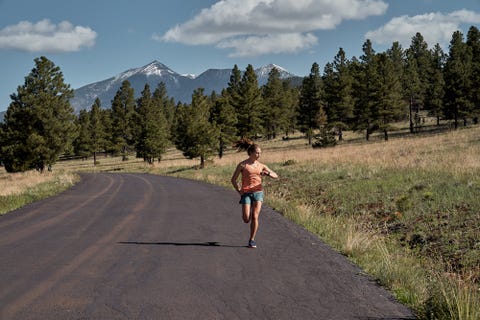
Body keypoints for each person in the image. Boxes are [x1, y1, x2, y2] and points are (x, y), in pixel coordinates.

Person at [231, 139, 278, 248]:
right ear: (251, 153)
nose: (259, 155)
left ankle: (252, 240)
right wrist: (239, 191)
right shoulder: (242, 165)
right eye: (257, 153)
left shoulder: (261, 165)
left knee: (255, 216)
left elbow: (276, 175)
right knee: (246, 219)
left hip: (258, 193)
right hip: (246, 193)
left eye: (260, 153)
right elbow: (233, 179)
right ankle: (249, 230)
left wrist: (269, 173)